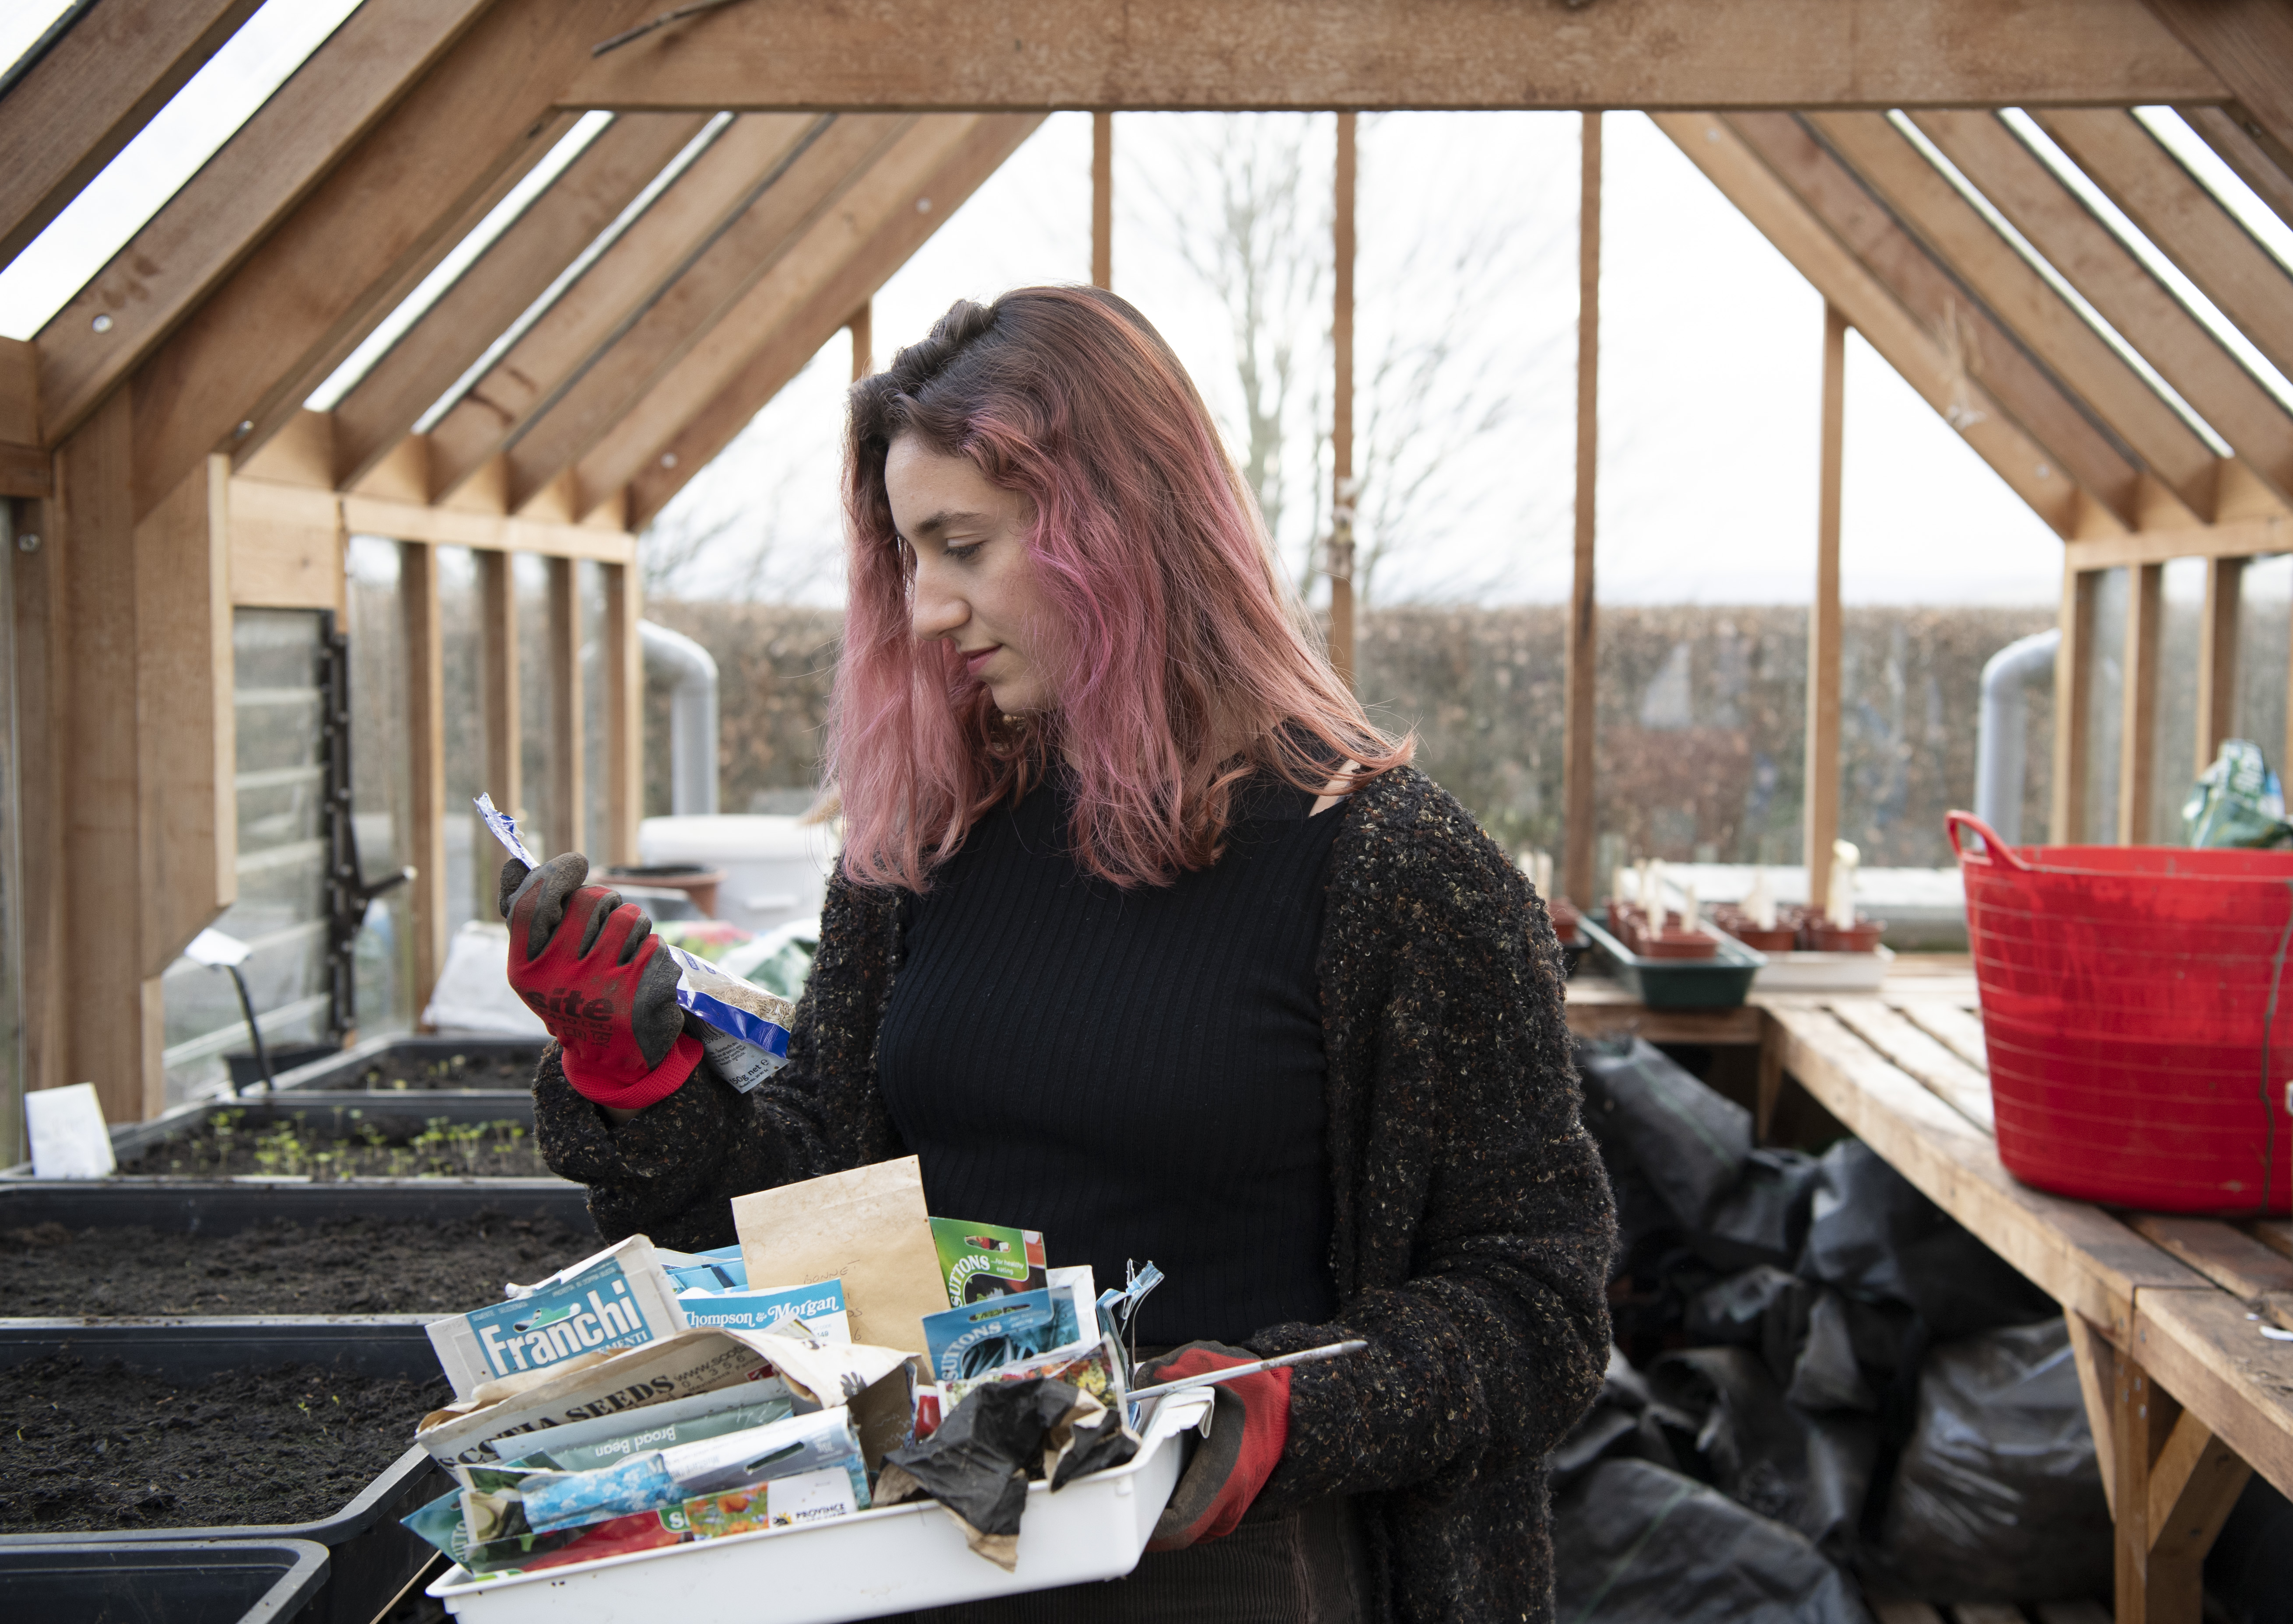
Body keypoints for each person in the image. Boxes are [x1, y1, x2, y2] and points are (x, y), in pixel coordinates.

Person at [499, 287, 1616, 1623]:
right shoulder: (925, 846)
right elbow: (816, 1223)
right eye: (910, 559)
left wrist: (1264, 1409)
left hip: (1227, 1562)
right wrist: (639, 1082)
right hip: (921, 1538)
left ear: (1119, 529)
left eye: (961, 545)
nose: (925, 610)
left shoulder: (1389, 867)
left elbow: (1538, 1302)